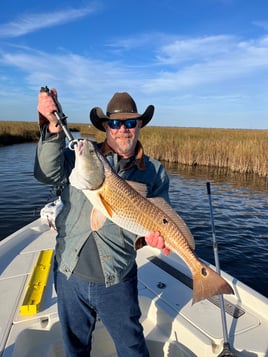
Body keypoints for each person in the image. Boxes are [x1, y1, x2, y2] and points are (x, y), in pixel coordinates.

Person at [34, 89, 170, 357]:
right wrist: (51, 127)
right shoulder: (83, 154)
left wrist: (149, 239)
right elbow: (46, 172)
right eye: (116, 123)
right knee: (75, 348)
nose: (123, 130)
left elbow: (159, 220)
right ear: (106, 126)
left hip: (116, 279)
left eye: (131, 123)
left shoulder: (154, 172)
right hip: (68, 272)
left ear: (139, 126)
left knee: (132, 348)